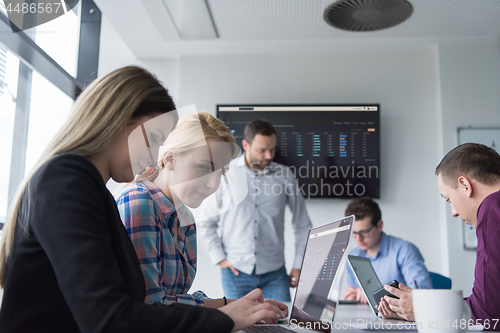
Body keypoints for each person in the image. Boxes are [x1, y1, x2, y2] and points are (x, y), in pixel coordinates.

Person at [0, 66, 284, 333]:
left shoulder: (92, 190)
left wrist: (229, 311)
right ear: (120, 119)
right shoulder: (68, 179)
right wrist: (226, 316)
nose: (154, 157)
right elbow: (112, 320)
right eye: (155, 137)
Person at [115, 111, 287, 317]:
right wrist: (230, 310)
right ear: (169, 159)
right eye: (205, 168)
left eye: (221, 174)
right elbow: (149, 307)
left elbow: (173, 299)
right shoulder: (139, 202)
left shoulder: (185, 217)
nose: (213, 185)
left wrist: (239, 305)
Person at [377, 143, 500, 331]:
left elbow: (489, 316)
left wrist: (421, 309)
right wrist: (417, 306)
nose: (454, 212)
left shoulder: (492, 208)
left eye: (449, 199)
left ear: (465, 185)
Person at [197, 119, 312, 302]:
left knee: (282, 326)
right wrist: (219, 258)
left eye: (272, 149)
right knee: (240, 329)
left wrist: (298, 264)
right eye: (262, 150)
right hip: (235, 274)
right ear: (246, 145)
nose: (268, 155)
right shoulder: (225, 173)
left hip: (275, 274)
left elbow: (302, 224)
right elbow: (206, 220)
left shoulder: (285, 176)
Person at [343, 197, 432, 303]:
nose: (358, 238)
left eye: (364, 232)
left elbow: (422, 294)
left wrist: (373, 296)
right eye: (354, 233)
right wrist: (352, 296)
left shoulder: (404, 250)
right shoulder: (353, 256)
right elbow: (353, 294)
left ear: (379, 225)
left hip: (399, 318)